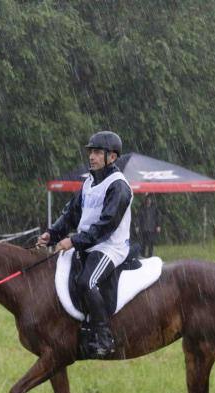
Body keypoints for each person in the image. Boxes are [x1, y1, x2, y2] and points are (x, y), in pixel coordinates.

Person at [37, 131, 133, 359]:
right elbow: (71, 213)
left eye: (98, 152)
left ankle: (103, 336)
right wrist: (52, 233)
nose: (92, 156)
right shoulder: (89, 181)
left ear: (112, 157)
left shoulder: (118, 186)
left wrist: (73, 241)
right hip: (89, 244)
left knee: (86, 282)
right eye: (91, 152)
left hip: (110, 247)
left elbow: (105, 226)